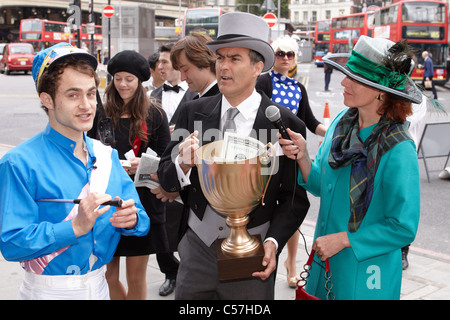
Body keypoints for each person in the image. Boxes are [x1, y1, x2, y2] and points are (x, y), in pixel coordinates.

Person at [156, 12, 310, 300]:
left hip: (252, 252)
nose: (223, 66)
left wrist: (274, 242)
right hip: (196, 248)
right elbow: (166, 177)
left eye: (234, 59)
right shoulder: (193, 112)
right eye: (220, 57)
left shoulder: (282, 124)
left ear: (257, 67)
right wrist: (181, 163)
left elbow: (293, 199)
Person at [0, 43, 150, 300]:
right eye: (73, 95)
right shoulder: (19, 163)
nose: (87, 105)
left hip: (101, 286)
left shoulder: (106, 155)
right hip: (48, 290)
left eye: (91, 94)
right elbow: (12, 243)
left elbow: (140, 217)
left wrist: (132, 220)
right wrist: (75, 227)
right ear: (47, 100)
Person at [280, 36, 421, 299]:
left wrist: (344, 240)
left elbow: (402, 227)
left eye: (355, 78)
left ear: (380, 89)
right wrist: (302, 156)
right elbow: (322, 184)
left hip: (366, 277)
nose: (343, 82)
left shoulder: (399, 148)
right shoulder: (341, 124)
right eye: (347, 75)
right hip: (325, 266)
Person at [96, 50, 170, 300]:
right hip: (108, 202)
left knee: (137, 278)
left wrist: (145, 165)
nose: (123, 84)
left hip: (142, 204)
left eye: (129, 79)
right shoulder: (102, 114)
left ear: (140, 81)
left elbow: (167, 160)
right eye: (118, 78)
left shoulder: (155, 114)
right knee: (107, 277)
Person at [256, 35, 325, 288]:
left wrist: (329, 131)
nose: (285, 58)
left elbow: (309, 119)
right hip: (266, 154)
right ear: (273, 55)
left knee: (292, 208)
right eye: (281, 53)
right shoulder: (263, 81)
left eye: (290, 54)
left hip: (292, 155)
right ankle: (267, 253)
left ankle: (292, 264)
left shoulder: (299, 87)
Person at [150, 43, 195, 296]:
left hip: (187, 170)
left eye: (166, 62)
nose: (161, 67)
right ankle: (170, 272)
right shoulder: (151, 95)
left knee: (182, 227)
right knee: (161, 225)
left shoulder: (197, 96)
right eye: (159, 63)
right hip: (159, 169)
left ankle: (187, 269)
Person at [150, 43, 196, 127]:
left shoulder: (196, 94)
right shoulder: (153, 94)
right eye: (160, 62)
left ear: (178, 64)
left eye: (164, 62)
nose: (160, 67)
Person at [170, 32, 220, 99]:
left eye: (185, 70)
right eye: (180, 71)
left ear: (204, 62)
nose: (182, 78)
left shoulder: (221, 101)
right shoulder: (200, 100)